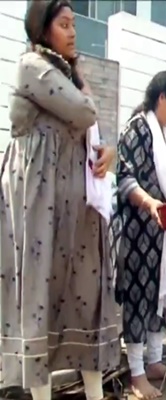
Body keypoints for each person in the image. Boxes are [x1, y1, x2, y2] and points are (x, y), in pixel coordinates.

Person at [0, 1, 120, 398]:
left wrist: (107, 153)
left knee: (83, 295)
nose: (72, 32)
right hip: (38, 200)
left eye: (73, 25)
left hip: (74, 202)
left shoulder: (65, 72)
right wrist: (82, 77)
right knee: (40, 296)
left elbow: (91, 133)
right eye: (64, 24)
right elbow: (84, 111)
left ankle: (95, 394)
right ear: (42, 29)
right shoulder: (32, 66)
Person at [113, 71, 166, 399]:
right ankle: (136, 373)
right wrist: (149, 203)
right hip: (138, 229)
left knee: (161, 295)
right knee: (139, 297)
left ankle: (155, 361)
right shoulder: (136, 130)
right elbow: (124, 177)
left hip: (163, 230)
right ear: (161, 98)